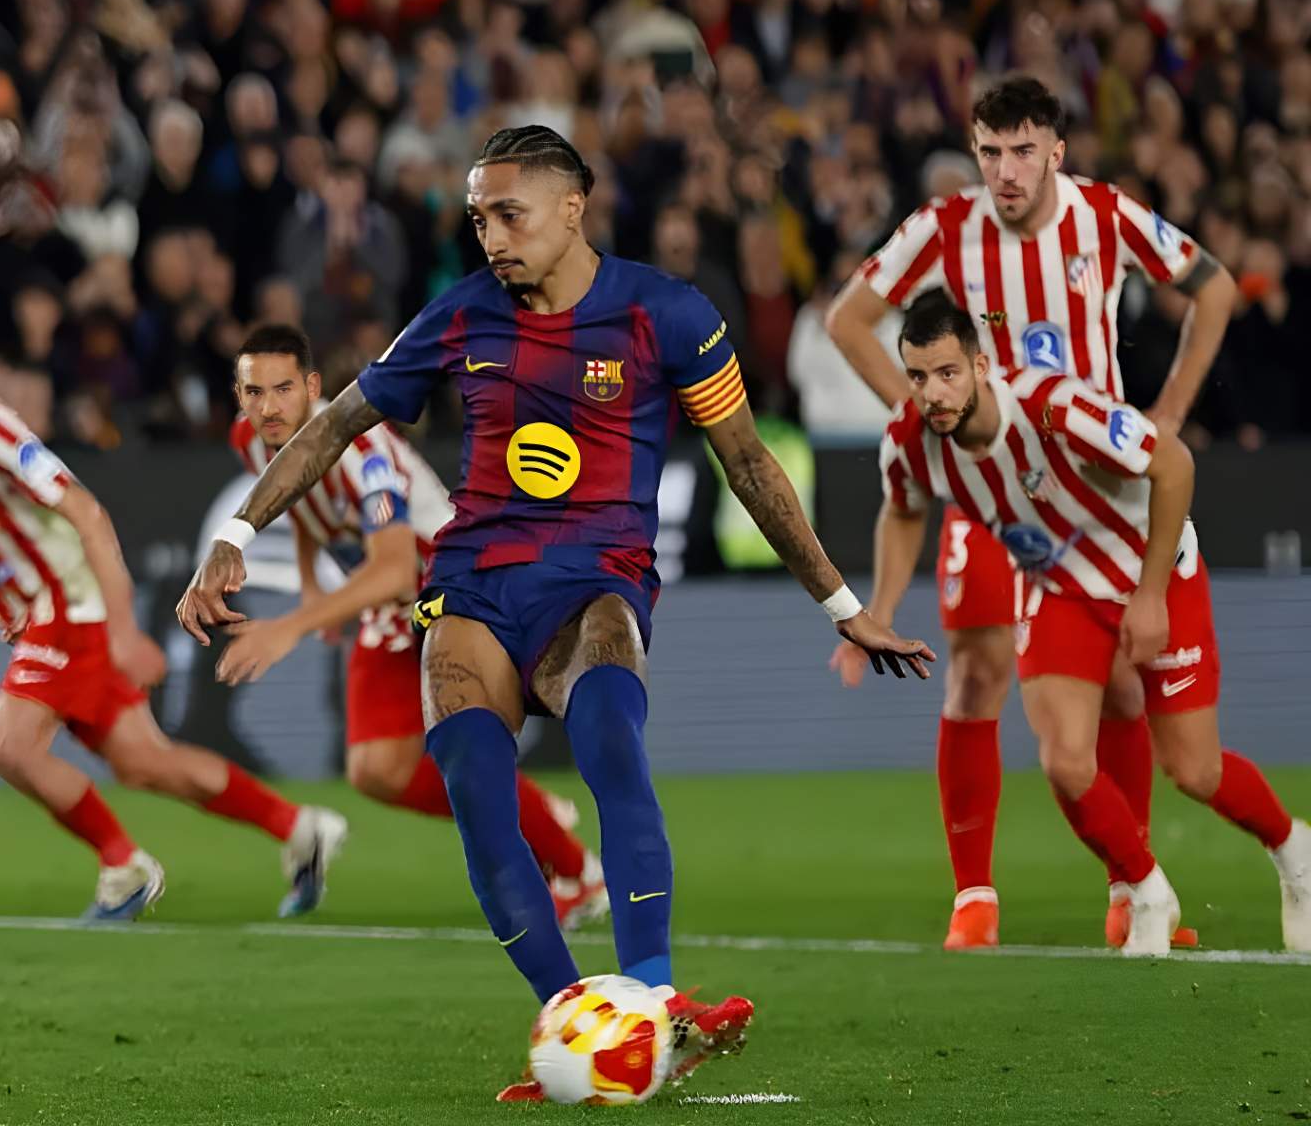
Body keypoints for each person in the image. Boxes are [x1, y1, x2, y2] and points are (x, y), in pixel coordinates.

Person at [178, 126, 931, 1099]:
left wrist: (838, 601)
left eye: (507, 213)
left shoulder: (668, 314)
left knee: (612, 752)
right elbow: (333, 426)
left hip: (594, 587)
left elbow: (745, 462)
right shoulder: (457, 317)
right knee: (480, 806)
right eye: (476, 217)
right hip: (474, 591)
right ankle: (575, 1018)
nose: (488, 236)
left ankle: (650, 1007)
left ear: (571, 207)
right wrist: (234, 536)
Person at [824, 74, 1236, 950]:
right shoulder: (943, 228)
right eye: (989, 151)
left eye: (1021, 150)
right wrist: (926, 413)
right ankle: (974, 895)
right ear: (974, 152)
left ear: (1055, 149)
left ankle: (1133, 885)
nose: (1005, 169)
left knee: (1124, 679)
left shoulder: (1107, 215)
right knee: (975, 671)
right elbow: (849, 320)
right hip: (991, 482)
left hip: (1094, 490)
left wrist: (1166, 412)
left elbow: (1216, 288)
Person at [0, 291, 347, 921]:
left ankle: (123, 866)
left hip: (69, 602)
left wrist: (120, 631)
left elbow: (87, 511)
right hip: (37, 612)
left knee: (9, 745)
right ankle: (300, 827)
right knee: (147, 763)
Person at [860, 291, 1309, 955]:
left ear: (981, 366)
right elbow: (901, 511)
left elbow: (1173, 463)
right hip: (1062, 589)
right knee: (1066, 760)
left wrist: (1152, 594)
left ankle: (1294, 850)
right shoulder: (908, 441)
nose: (933, 394)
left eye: (948, 373)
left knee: (1194, 770)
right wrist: (881, 609)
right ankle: (1146, 890)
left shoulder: (1054, 407)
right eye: (918, 377)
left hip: (1152, 573)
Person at [219, 324, 608, 928]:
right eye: (255, 392)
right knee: (375, 771)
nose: (269, 407)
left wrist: (294, 623)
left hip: (449, 581)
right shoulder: (252, 439)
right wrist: (316, 583)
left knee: (457, 748)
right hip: (390, 598)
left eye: (283, 389)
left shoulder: (360, 450)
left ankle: (580, 875)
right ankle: (533, 814)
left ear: (313, 388)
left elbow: (396, 566)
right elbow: (291, 498)